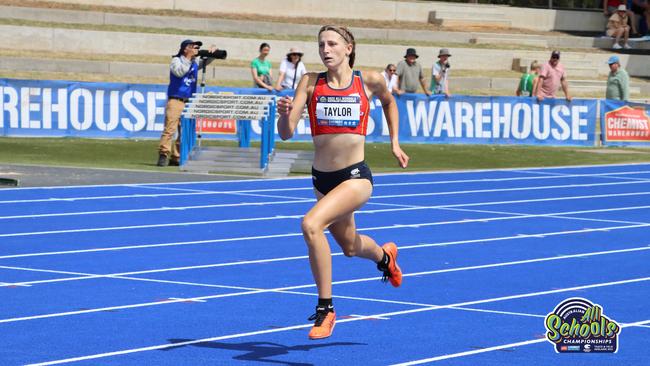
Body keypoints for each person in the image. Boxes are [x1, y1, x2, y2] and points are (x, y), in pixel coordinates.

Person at [276, 25, 409, 340]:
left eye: (332, 43)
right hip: (322, 180)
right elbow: (286, 132)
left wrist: (394, 142)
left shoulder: (370, 81)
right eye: (321, 44)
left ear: (349, 48)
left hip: (355, 177)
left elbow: (390, 102)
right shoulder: (309, 83)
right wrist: (283, 115)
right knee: (349, 246)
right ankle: (385, 257)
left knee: (311, 225)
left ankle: (326, 309)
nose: (326, 49)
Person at [157, 39, 217, 167]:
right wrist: (189, 59)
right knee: (170, 129)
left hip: (188, 101)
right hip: (175, 100)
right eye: (193, 47)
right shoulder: (176, 60)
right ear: (185, 49)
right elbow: (179, 72)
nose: (196, 49)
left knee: (184, 131)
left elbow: (206, 62)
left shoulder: (194, 63)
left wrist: (212, 53)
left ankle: (177, 157)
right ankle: (163, 154)